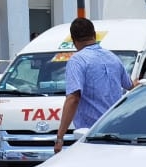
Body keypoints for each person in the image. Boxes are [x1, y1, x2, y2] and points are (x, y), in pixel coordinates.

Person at [52, 17, 133, 154]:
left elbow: (73, 98)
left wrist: (60, 138)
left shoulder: (77, 61)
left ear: (73, 39)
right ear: (94, 35)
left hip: (91, 136)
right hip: (116, 132)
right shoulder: (113, 58)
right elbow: (130, 85)